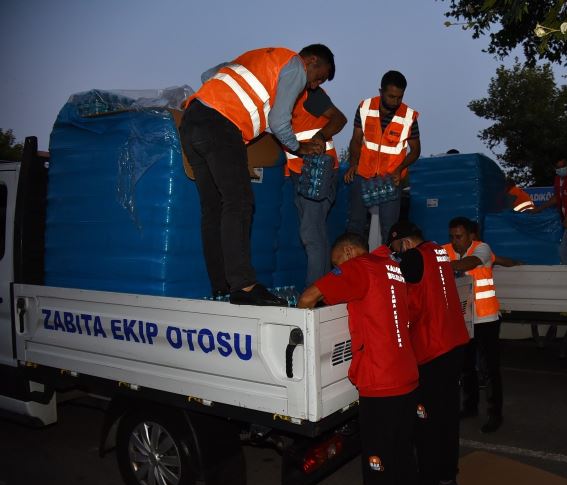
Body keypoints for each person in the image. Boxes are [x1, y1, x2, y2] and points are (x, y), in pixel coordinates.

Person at [180, 45, 335, 305]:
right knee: (239, 202)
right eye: (319, 76)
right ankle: (244, 286)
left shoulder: (254, 58)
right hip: (221, 123)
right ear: (312, 60)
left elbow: (208, 75)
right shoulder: (295, 65)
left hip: (192, 119)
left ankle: (221, 286)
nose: (314, 85)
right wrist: (299, 147)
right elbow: (279, 122)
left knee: (214, 209)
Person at [298, 233, 421, 485]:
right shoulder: (392, 267)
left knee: (378, 463)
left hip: (380, 383)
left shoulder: (359, 266)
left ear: (349, 251)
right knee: (403, 455)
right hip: (406, 375)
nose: (337, 267)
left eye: (336, 262)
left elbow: (309, 297)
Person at [384, 220, 470, 485]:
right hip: (455, 344)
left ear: (404, 243)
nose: (397, 255)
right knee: (447, 417)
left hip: (432, 351)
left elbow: (396, 295)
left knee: (426, 425)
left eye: (396, 249)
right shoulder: (439, 253)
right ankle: (448, 477)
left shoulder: (411, 258)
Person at [345, 71, 421, 243]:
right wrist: (353, 164)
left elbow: (415, 150)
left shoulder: (409, 116)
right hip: (363, 174)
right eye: (391, 96)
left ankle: (389, 267)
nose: (395, 101)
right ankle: (354, 267)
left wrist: (399, 170)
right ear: (381, 92)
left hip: (390, 179)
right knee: (355, 226)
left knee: (390, 230)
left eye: (400, 97)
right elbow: (356, 139)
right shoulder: (365, 107)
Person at [281, 88, 347, 286]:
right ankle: (323, 291)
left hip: (316, 173)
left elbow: (339, 119)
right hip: (298, 172)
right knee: (316, 233)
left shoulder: (308, 94)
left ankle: (313, 297)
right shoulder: (283, 97)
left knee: (311, 235)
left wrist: (320, 135)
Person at [443, 217, 504, 433]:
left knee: (490, 370)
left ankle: (495, 414)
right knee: (466, 368)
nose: (454, 241)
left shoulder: (482, 249)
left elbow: (469, 263)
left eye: (458, 236)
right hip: (464, 321)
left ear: (471, 236)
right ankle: (470, 407)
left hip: (486, 320)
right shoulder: (446, 251)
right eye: (451, 236)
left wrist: (442, 266)